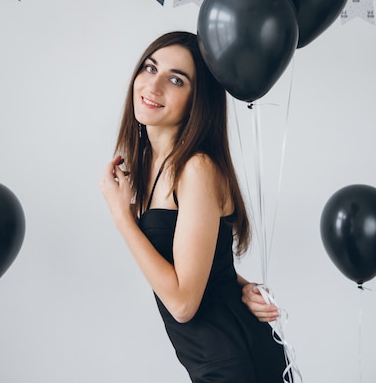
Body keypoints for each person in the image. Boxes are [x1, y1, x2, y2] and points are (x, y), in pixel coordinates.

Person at [100, 30, 291, 382]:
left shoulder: (196, 168)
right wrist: (241, 285)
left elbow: (184, 304)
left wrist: (121, 218)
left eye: (176, 79)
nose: (153, 86)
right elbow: (203, 262)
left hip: (235, 363)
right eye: (150, 67)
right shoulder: (151, 165)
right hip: (212, 361)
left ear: (197, 99)